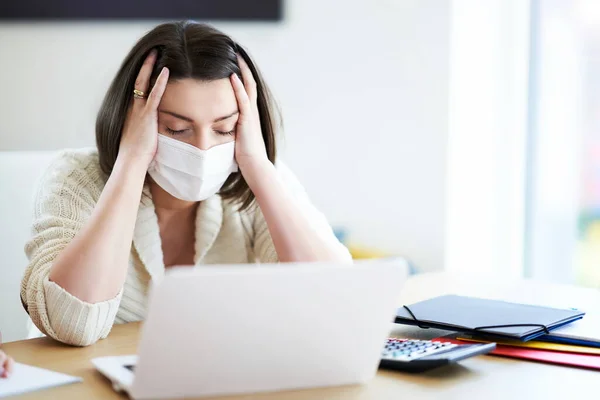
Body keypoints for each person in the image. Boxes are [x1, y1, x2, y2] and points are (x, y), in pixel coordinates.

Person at [20, 21, 351, 347]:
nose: (203, 148)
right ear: (130, 119)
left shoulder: (258, 179)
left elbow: (335, 300)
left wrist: (259, 168)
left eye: (224, 129)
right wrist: (131, 162)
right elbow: (71, 324)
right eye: (177, 129)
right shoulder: (75, 176)